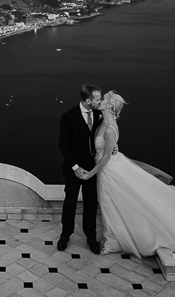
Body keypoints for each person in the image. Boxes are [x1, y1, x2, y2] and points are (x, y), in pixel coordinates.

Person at [85, 91, 175, 258]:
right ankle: (116, 239)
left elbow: (105, 157)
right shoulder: (104, 119)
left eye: (104, 98)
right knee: (115, 206)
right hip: (110, 166)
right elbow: (108, 148)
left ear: (110, 106)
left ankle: (114, 242)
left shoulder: (110, 127)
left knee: (111, 206)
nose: (101, 100)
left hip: (109, 171)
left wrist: (90, 174)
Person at [57, 84, 102, 252]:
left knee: (91, 203)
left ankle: (91, 237)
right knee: (70, 202)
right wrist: (75, 167)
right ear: (88, 100)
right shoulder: (68, 117)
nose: (100, 101)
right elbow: (63, 145)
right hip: (72, 168)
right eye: (97, 99)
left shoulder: (99, 114)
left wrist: (113, 147)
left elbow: (104, 136)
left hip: (92, 169)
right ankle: (65, 233)